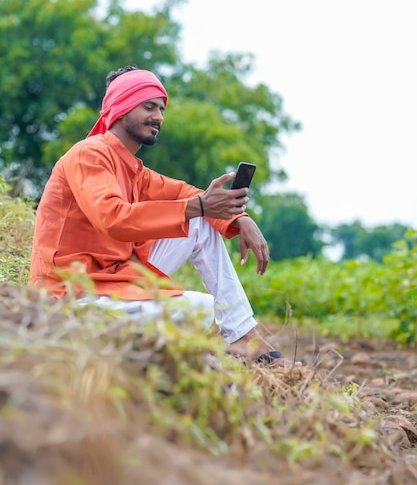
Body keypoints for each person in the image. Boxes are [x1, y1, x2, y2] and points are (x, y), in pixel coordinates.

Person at [29, 66, 301, 367]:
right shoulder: (88, 155)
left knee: (200, 218)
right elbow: (114, 219)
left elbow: (186, 194)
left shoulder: (135, 170)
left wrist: (240, 218)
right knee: (198, 308)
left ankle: (242, 336)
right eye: (149, 106)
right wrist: (199, 206)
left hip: (116, 277)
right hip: (73, 293)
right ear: (121, 107)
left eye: (161, 108)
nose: (158, 116)